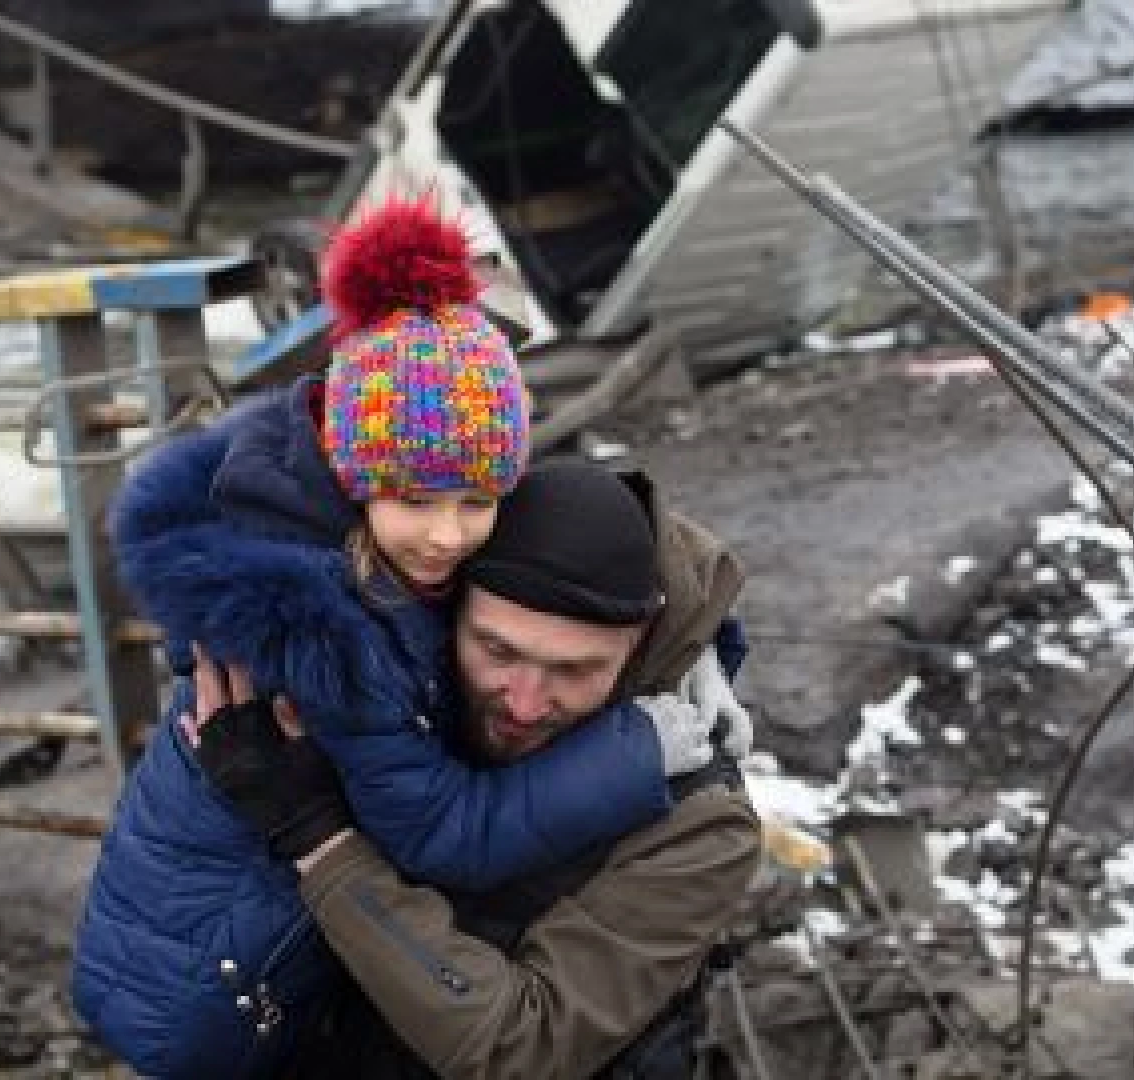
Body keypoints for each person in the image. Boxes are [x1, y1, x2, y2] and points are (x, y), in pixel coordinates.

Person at [70, 201, 729, 1078]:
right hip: (205, 986)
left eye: (477, 502)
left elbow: (588, 553)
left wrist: (704, 647)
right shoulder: (326, 638)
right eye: (417, 501)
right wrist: (636, 747)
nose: (450, 536)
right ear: (353, 477)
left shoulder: (383, 537)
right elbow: (441, 835)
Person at [190, 461, 764, 1079]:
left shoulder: (701, 822)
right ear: (447, 607)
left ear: (640, 645)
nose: (522, 703)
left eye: (574, 671)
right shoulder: (400, 689)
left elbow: (518, 1047)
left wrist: (318, 840)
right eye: (497, 651)